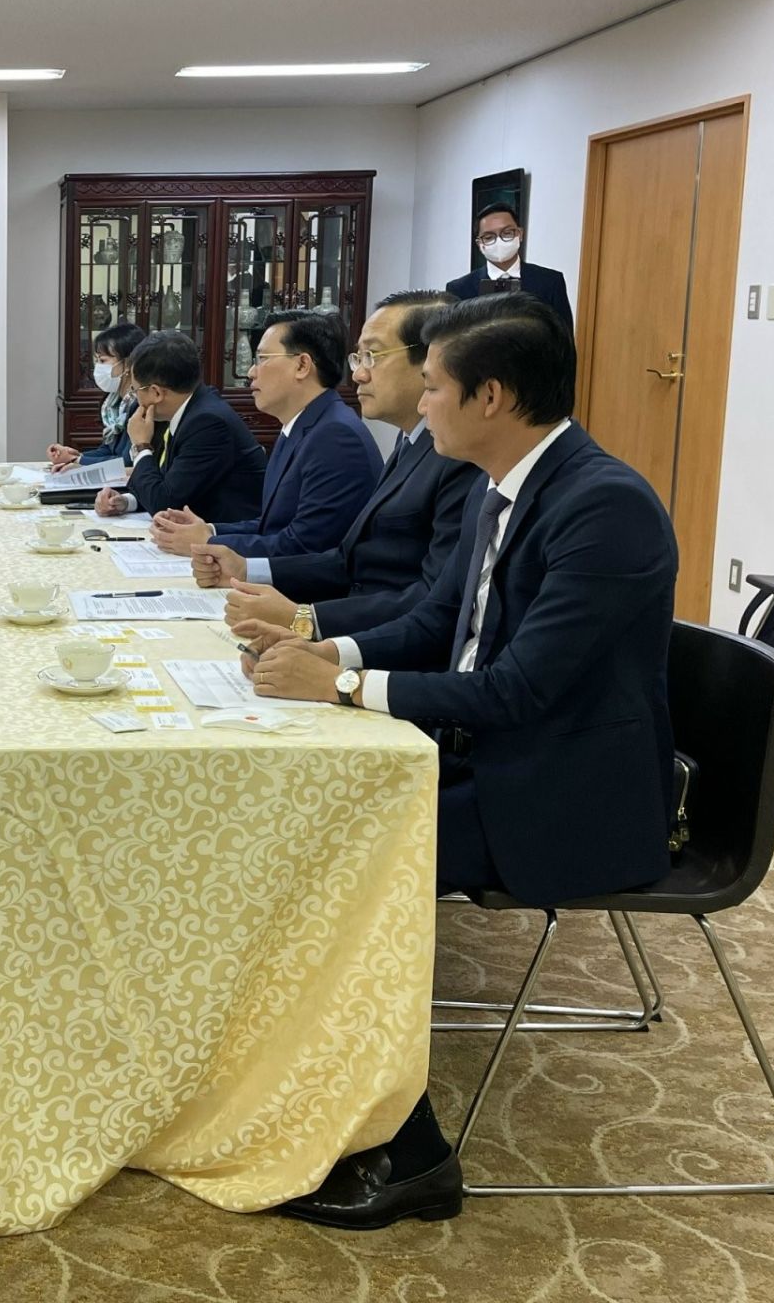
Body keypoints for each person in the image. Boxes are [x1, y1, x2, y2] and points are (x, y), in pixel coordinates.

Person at [237, 292, 677, 1228]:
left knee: (335, 864)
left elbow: (518, 690)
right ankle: (277, 1092)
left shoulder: (604, 508)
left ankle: (412, 1155)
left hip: (557, 791)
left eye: (431, 387)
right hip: (483, 750)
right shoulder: (498, 482)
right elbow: (442, 623)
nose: (416, 403)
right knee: (288, 815)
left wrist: (349, 693)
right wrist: (334, 655)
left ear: (493, 397)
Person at [196, 291, 480, 639]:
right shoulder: (410, 440)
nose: (358, 375)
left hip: (379, 643)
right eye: (357, 358)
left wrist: (306, 620)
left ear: (434, 361)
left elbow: (430, 600)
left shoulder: (455, 455)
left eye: (373, 356)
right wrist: (245, 567)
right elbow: (348, 557)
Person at [152, 312, 378, 560]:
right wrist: (208, 528)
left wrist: (208, 542)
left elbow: (304, 546)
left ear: (302, 365)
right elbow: (273, 525)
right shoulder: (301, 424)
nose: (251, 372)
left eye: (261, 359)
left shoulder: (336, 437)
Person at [92, 330, 265, 523]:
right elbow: (171, 487)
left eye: (135, 389)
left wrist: (141, 446)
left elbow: (164, 502)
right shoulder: (187, 409)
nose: (135, 397)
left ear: (156, 393)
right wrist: (126, 501)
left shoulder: (207, 423)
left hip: (230, 541)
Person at [445, 201, 572, 330]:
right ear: (479, 244)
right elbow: (451, 344)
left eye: (507, 232)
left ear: (520, 234)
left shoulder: (550, 282)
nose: (499, 241)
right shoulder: (459, 289)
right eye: (489, 237)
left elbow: (565, 341)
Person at [46, 323, 145, 472]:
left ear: (128, 364)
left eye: (103, 360)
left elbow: (126, 461)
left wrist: (78, 460)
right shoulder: (113, 403)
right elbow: (107, 450)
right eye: (97, 360)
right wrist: (73, 455)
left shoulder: (139, 405)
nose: (98, 367)